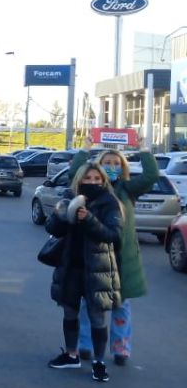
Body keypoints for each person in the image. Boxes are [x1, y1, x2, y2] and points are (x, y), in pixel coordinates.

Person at [69, 139, 156, 366]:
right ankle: (86, 346)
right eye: (107, 162)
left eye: (116, 163)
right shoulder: (94, 189)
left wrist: (145, 150)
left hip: (123, 257)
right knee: (90, 303)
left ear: (123, 167)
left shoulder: (127, 189)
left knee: (121, 304)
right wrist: (85, 149)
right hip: (97, 255)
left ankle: (121, 349)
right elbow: (74, 174)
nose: (112, 166)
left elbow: (151, 176)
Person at [46, 162, 122, 383]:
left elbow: (113, 235)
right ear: (79, 179)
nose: (92, 182)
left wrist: (88, 219)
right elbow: (51, 228)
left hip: (98, 268)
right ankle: (71, 354)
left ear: (103, 181)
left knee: (97, 316)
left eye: (97, 179)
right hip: (71, 266)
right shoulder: (69, 196)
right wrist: (63, 215)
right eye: (87, 179)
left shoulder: (109, 201)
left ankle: (99, 362)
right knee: (69, 312)